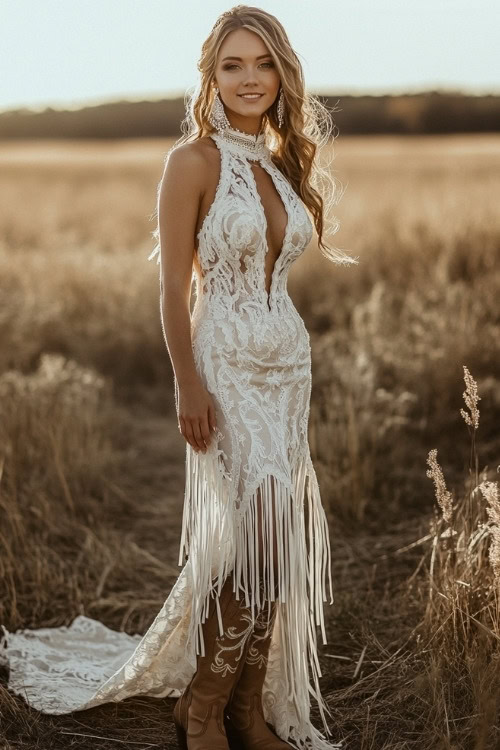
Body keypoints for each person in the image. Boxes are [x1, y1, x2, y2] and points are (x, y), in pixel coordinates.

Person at [0, 5, 358, 749]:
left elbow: (279, 269)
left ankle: (247, 710)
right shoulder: (191, 162)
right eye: (233, 65)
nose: (249, 78)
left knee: (277, 539)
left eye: (263, 64)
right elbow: (172, 290)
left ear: (281, 72)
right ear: (211, 75)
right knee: (256, 539)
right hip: (223, 361)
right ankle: (202, 707)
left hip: (288, 365)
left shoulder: (284, 160)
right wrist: (185, 384)